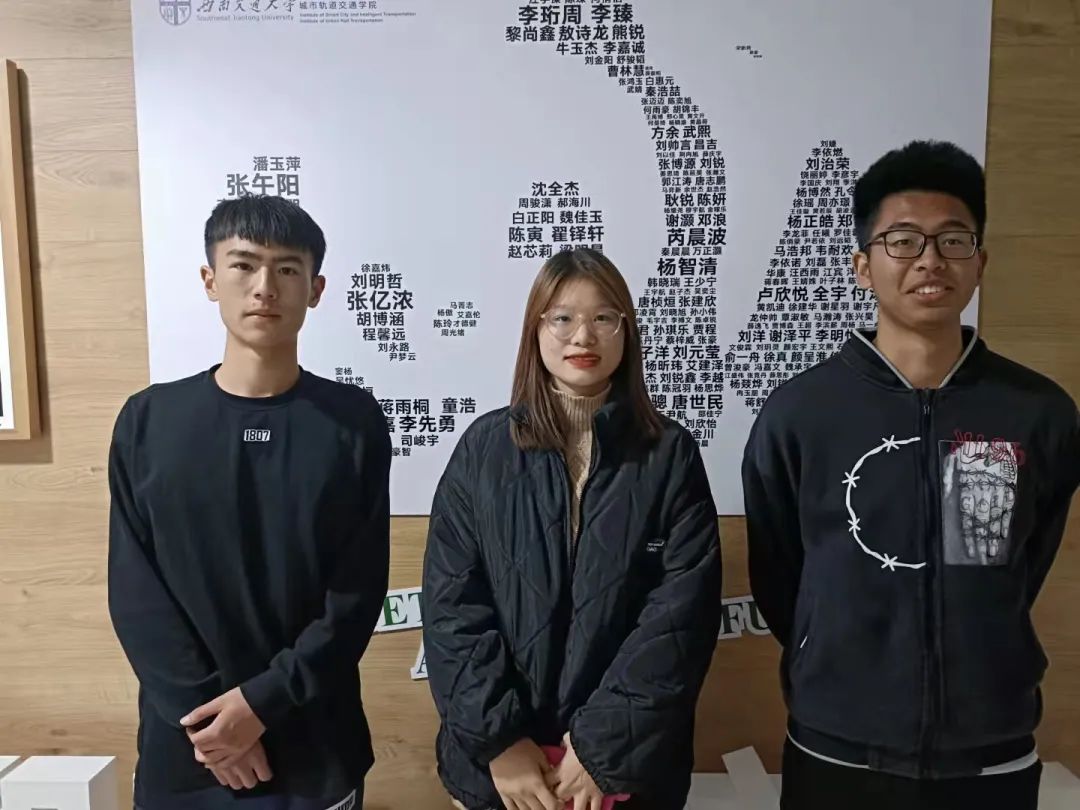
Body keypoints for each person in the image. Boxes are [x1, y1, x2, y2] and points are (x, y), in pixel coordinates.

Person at [742, 140, 1080, 810]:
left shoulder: (1034, 412)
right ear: (862, 266)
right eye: (903, 241)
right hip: (836, 750)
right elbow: (780, 576)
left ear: (980, 262)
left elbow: (1021, 560)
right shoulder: (801, 413)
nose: (930, 259)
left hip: (991, 752)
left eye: (953, 240)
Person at [107, 195, 391, 810]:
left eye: (287, 269)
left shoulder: (353, 423)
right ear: (210, 280)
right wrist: (214, 728)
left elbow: (356, 595)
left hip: (316, 747)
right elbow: (136, 597)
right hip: (187, 751)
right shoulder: (149, 421)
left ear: (316, 289)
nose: (265, 287)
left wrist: (261, 703)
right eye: (243, 265)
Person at [422, 248, 723, 810]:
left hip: (626, 771)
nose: (583, 335)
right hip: (502, 774)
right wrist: (501, 742)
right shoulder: (484, 450)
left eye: (604, 317)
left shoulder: (669, 455)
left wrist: (601, 750)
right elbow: (451, 606)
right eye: (562, 317)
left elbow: (681, 617)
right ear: (535, 329)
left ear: (626, 331)